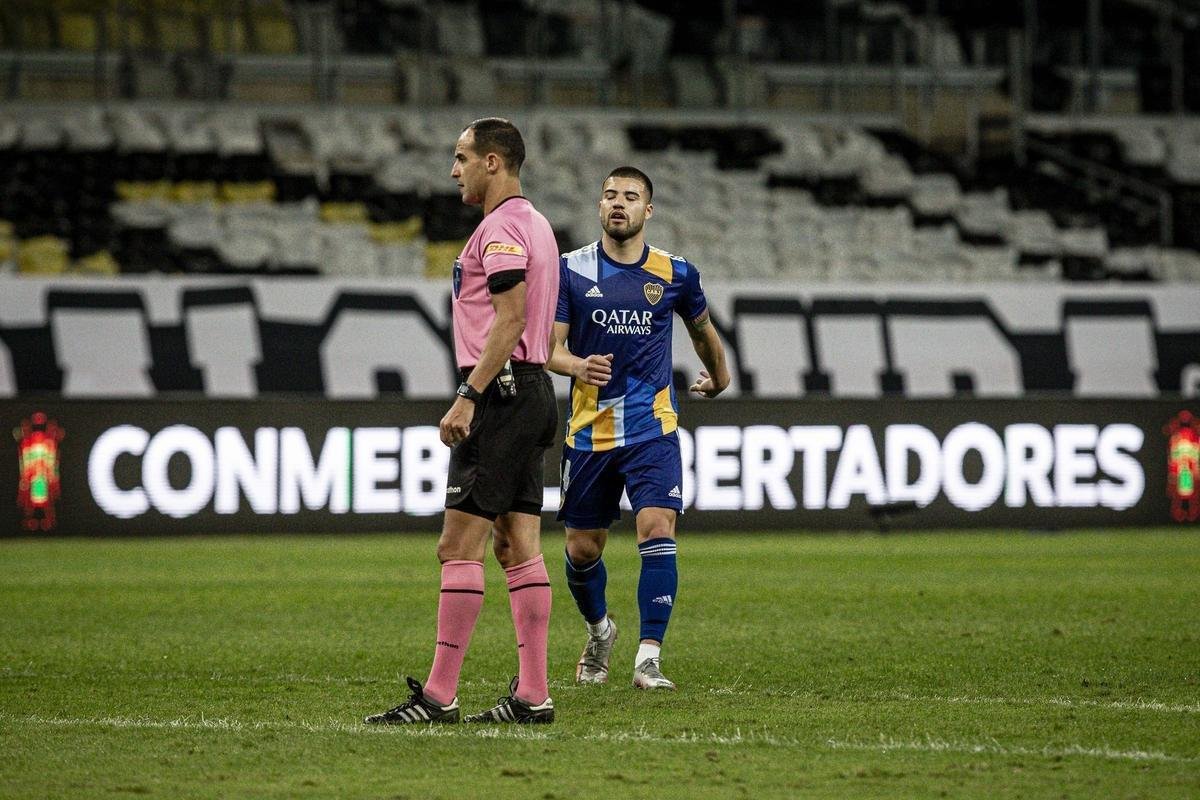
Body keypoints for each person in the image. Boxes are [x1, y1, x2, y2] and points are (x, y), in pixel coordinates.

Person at [365, 118, 560, 725]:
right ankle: (533, 696)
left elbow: (509, 319)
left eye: (462, 157)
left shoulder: (500, 230)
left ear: (494, 163)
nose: (455, 170)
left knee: (459, 545)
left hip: (500, 394)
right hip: (531, 392)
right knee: (517, 543)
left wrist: (468, 395)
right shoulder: (539, 226)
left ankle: (438, 696)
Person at [546, 166, 730, 691]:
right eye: (609, 195)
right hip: (589, 433)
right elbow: (550, 350)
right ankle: (600, 631)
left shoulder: (676, 273)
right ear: (599, 206)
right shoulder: (571, 270)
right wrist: (577, 366)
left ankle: (648, 657)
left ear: (648, 210)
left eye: (630, 197)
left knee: (657, 528)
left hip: (654, 427)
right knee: (583, 549)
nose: (618, 204)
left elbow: (703, 332)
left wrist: (720, 376)